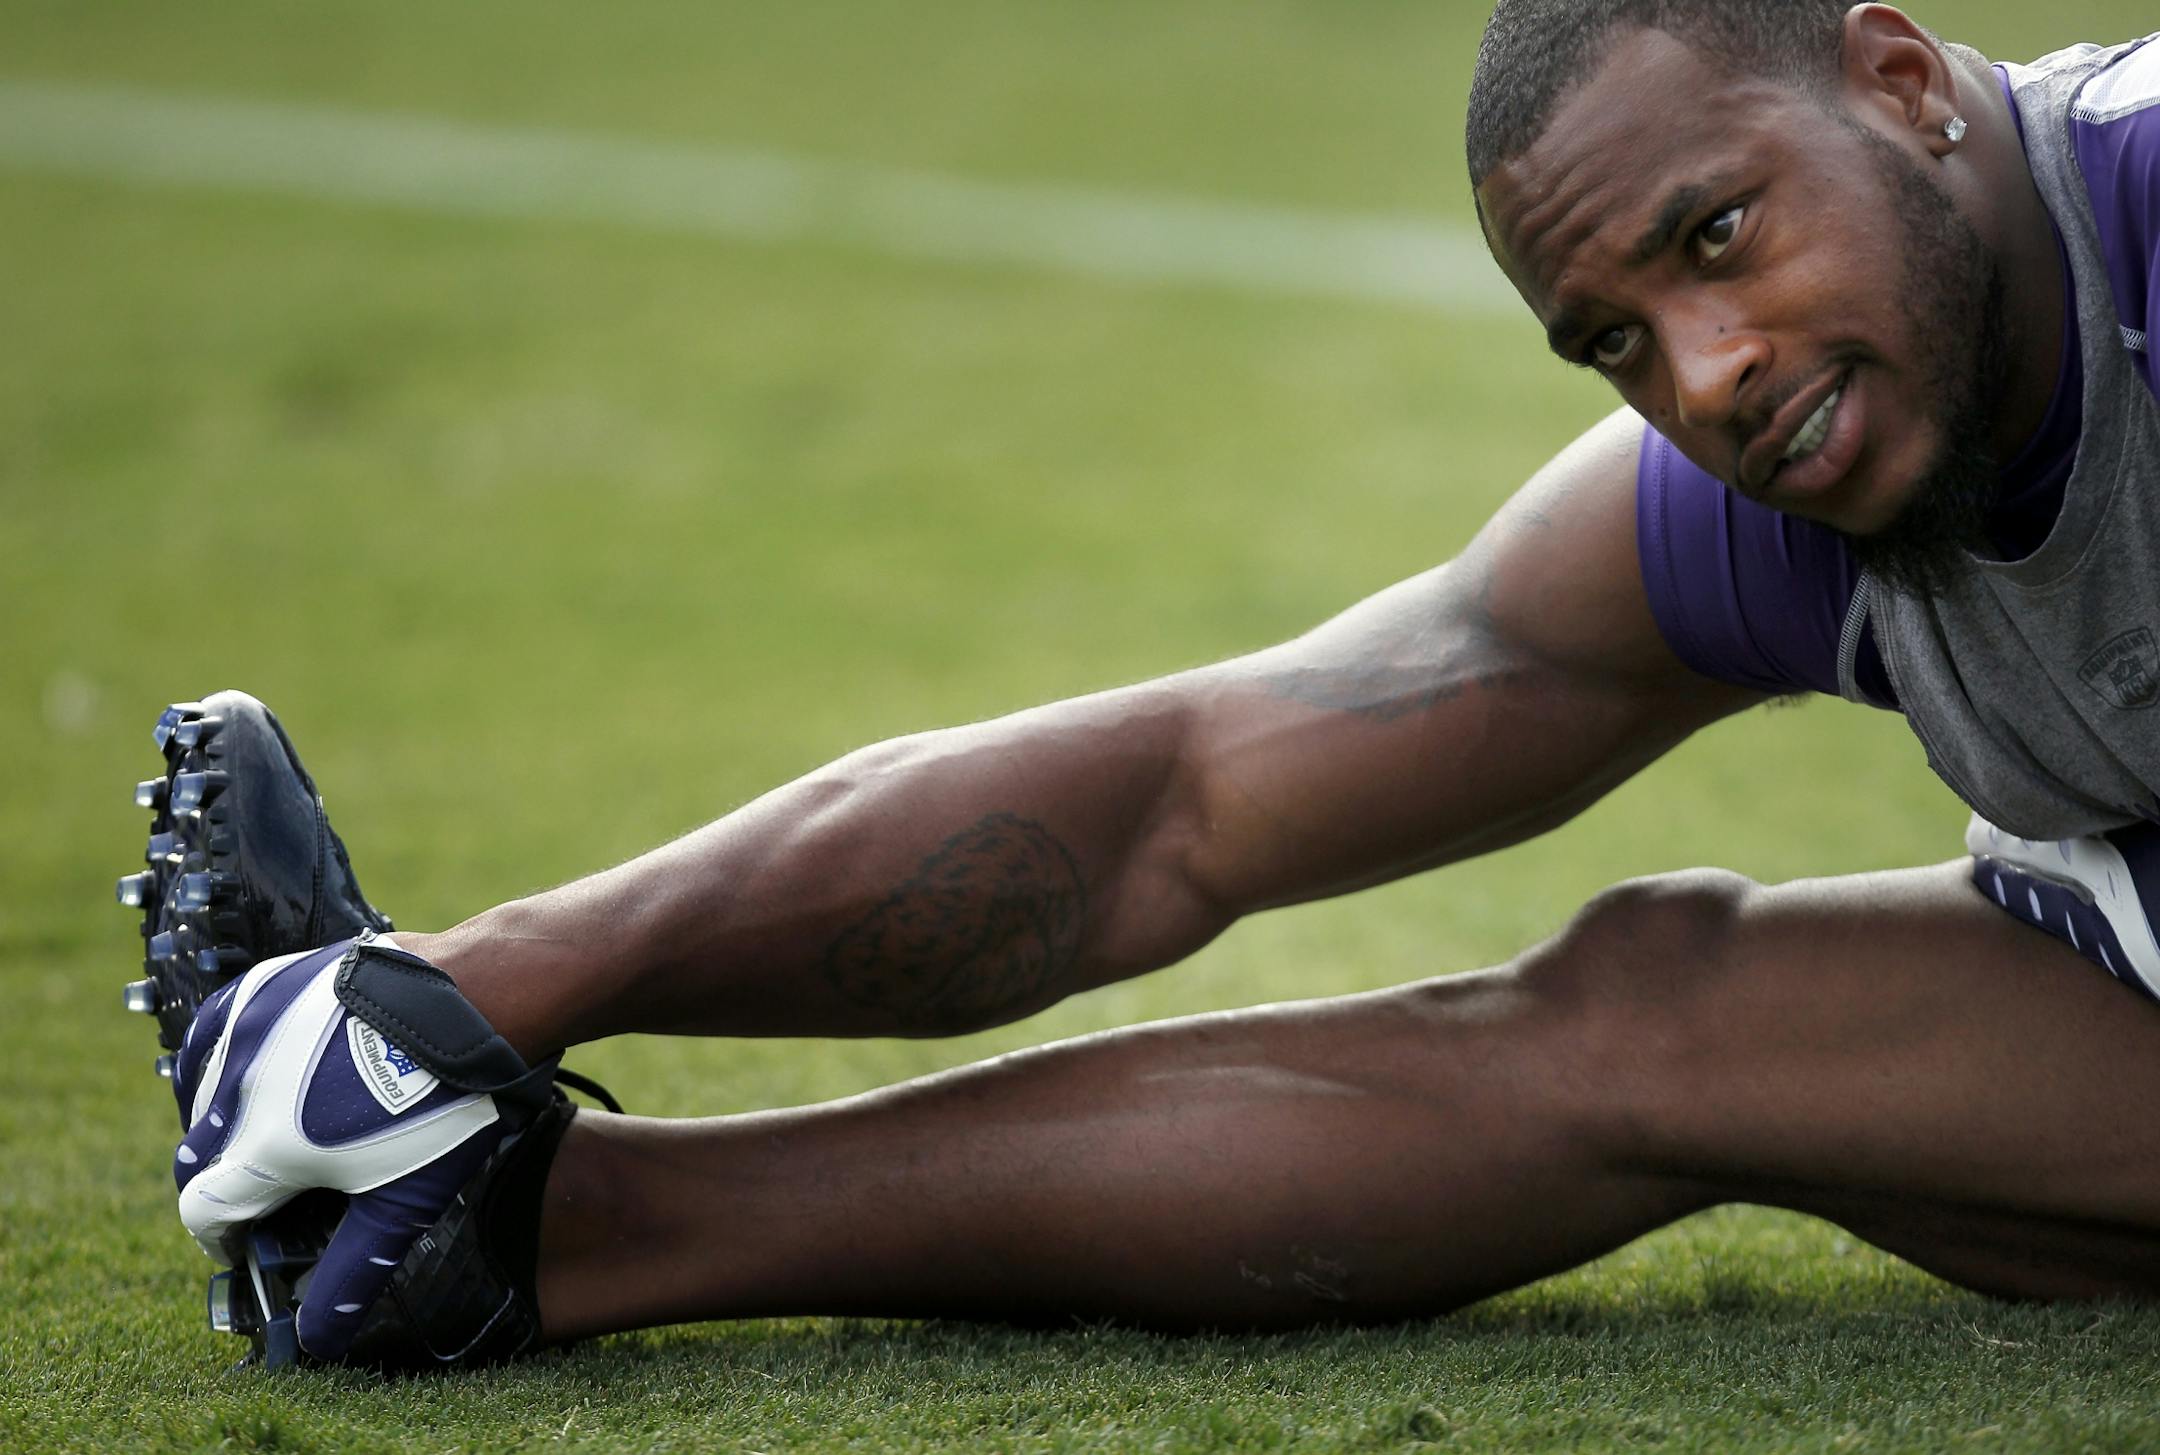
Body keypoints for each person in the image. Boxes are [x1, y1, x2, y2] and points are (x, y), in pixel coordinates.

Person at [121, 0, 2160, 1371]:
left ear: (1900, 81)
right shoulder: (1790, 455)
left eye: (1721, 233)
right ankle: (539, 1228)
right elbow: (1180, 797)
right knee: (1645, 1016)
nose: (1702, 372)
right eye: (1614, 338)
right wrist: (487, 981)